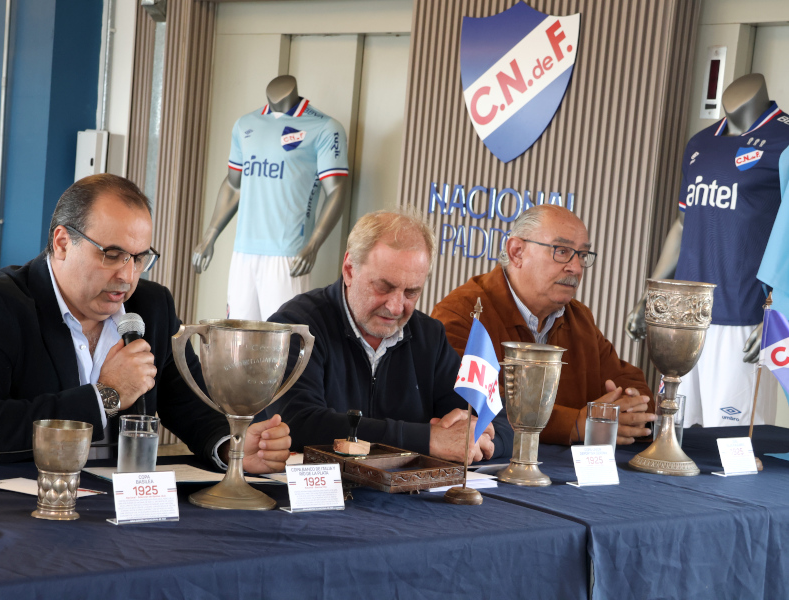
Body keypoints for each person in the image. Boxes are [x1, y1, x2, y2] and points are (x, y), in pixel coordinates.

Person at [0, 174, 290, 473]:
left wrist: (235, 448)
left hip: (119, 509)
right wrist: (106, 395)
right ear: (62, 243)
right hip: (10, 503)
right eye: (112, 255)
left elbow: (187, 402)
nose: (127, 275)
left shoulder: (152, 306)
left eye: (139, 258)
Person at [266, 210, 512, 463]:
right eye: (384, 287)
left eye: (411, 293)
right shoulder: (296, 326)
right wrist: (426, 439)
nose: (395, 307)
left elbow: (500, 421)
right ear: (349, 270)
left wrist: (475, 436)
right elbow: (297, 423)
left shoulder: (430, 336)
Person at [625, 73, 788, 427]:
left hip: (743, 317)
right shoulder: (699, 143)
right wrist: (650, 293)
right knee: (676, 438)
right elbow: (683, 223)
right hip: (684, 322)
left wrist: (781, 311)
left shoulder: (784, 140)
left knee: (731, 449)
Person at [432, 204, 655, 445]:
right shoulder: (465, 312)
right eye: (561, 251)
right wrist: (575, 425)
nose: (576, 268)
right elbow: (473, 403)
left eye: (581, 255)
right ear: (517, 252)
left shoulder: (579, 318)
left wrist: (629, 408)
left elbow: (628, 380)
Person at [191, 75, 350, 321]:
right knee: (237, 341)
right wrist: (209, 235)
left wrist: (314, 244)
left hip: (287, 255)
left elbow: (337, 190)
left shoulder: (325, 128)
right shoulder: (245, 125)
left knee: (282, 344)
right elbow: (234, 186)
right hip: (243, 253)